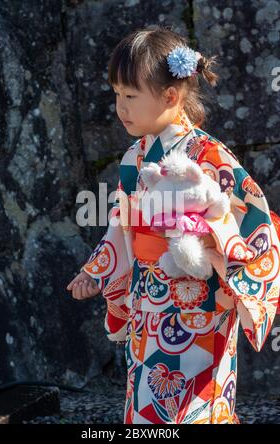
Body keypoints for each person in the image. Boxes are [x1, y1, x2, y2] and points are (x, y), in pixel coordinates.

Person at [66, 26, 280, 424]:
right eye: (116, 95)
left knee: (196, 406)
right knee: (147, 400)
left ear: (170, 96)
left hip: (201, 300)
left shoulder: (210, 154)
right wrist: (96, 269)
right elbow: (123, 222)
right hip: (150, 300)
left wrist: (207, 236)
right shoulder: (135, 157)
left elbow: (253, 217)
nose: (121, 107)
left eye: (130, 96)